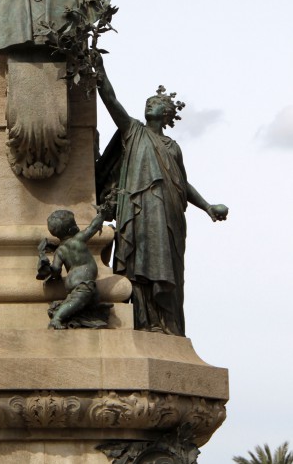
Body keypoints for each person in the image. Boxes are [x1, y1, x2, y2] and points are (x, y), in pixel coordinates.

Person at [96, 68, 228, 336]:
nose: (149, 103)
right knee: (140, 264)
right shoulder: (133, 130)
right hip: (140, 209)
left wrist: (207, 207)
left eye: (156, 103)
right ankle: (145, 321)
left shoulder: (172, 147)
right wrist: (99, 69)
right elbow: (110, 99)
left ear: (166, 114)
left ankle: (168, 323)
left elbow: (182, 183)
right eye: (148, 101)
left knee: (166, 267)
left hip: (168, 214)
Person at [37, 202, 114, 329]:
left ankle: (88, 314)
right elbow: (93, 227)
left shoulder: (60, 251)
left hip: (76, 283)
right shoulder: (78, 239)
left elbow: (56, 271)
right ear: (71, 229)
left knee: (89, 301)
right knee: (76, 301)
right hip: (83, 283)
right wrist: (102, 214)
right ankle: (57, 319)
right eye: (75, 224)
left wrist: (46, 266)